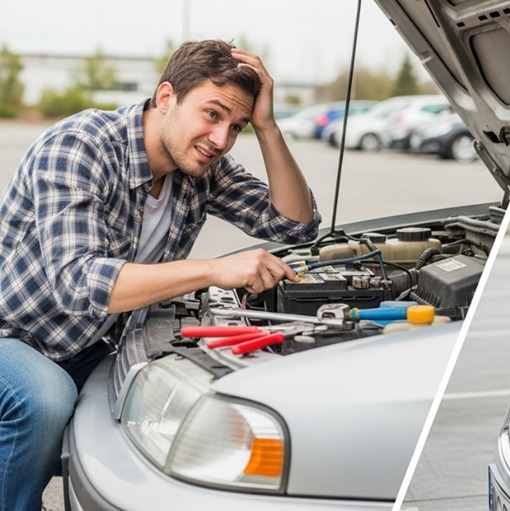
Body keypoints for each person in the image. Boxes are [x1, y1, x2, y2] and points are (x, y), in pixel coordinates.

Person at [0, 40, 321, 509]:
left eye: (236, 127)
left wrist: (268, 128)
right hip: (12, 337)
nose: (220, 139)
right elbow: (80, 283)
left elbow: (296, 225)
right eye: (212, 114)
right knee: (45, 400)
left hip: (82, 345)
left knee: (167, 397)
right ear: (166, 97)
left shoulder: (200, 169)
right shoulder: (81, 145)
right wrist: (213, 270)